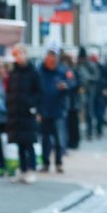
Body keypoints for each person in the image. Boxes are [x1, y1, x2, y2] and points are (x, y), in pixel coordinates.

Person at [6, 44, 42, 184]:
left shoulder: (33, 72)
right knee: (19, 143)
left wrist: (33, 106)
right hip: (16, 112)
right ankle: (23, 169)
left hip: (27, 112)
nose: (19, 57)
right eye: (16, 54)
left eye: (21, 54)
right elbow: (10, 91)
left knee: (29, 142)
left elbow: (39, 91)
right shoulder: (14, 72)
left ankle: (31, 169)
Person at [37, 44, 75, 173]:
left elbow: (72, 83)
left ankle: (59, 162)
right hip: (44, 109)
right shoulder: (40, 70)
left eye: (54, 56)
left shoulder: (63, 71)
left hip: (59, 109)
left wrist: (66, 86)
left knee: (59, 138)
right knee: (45, 139)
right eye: (50, 55)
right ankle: (45, 163)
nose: (52, 59)